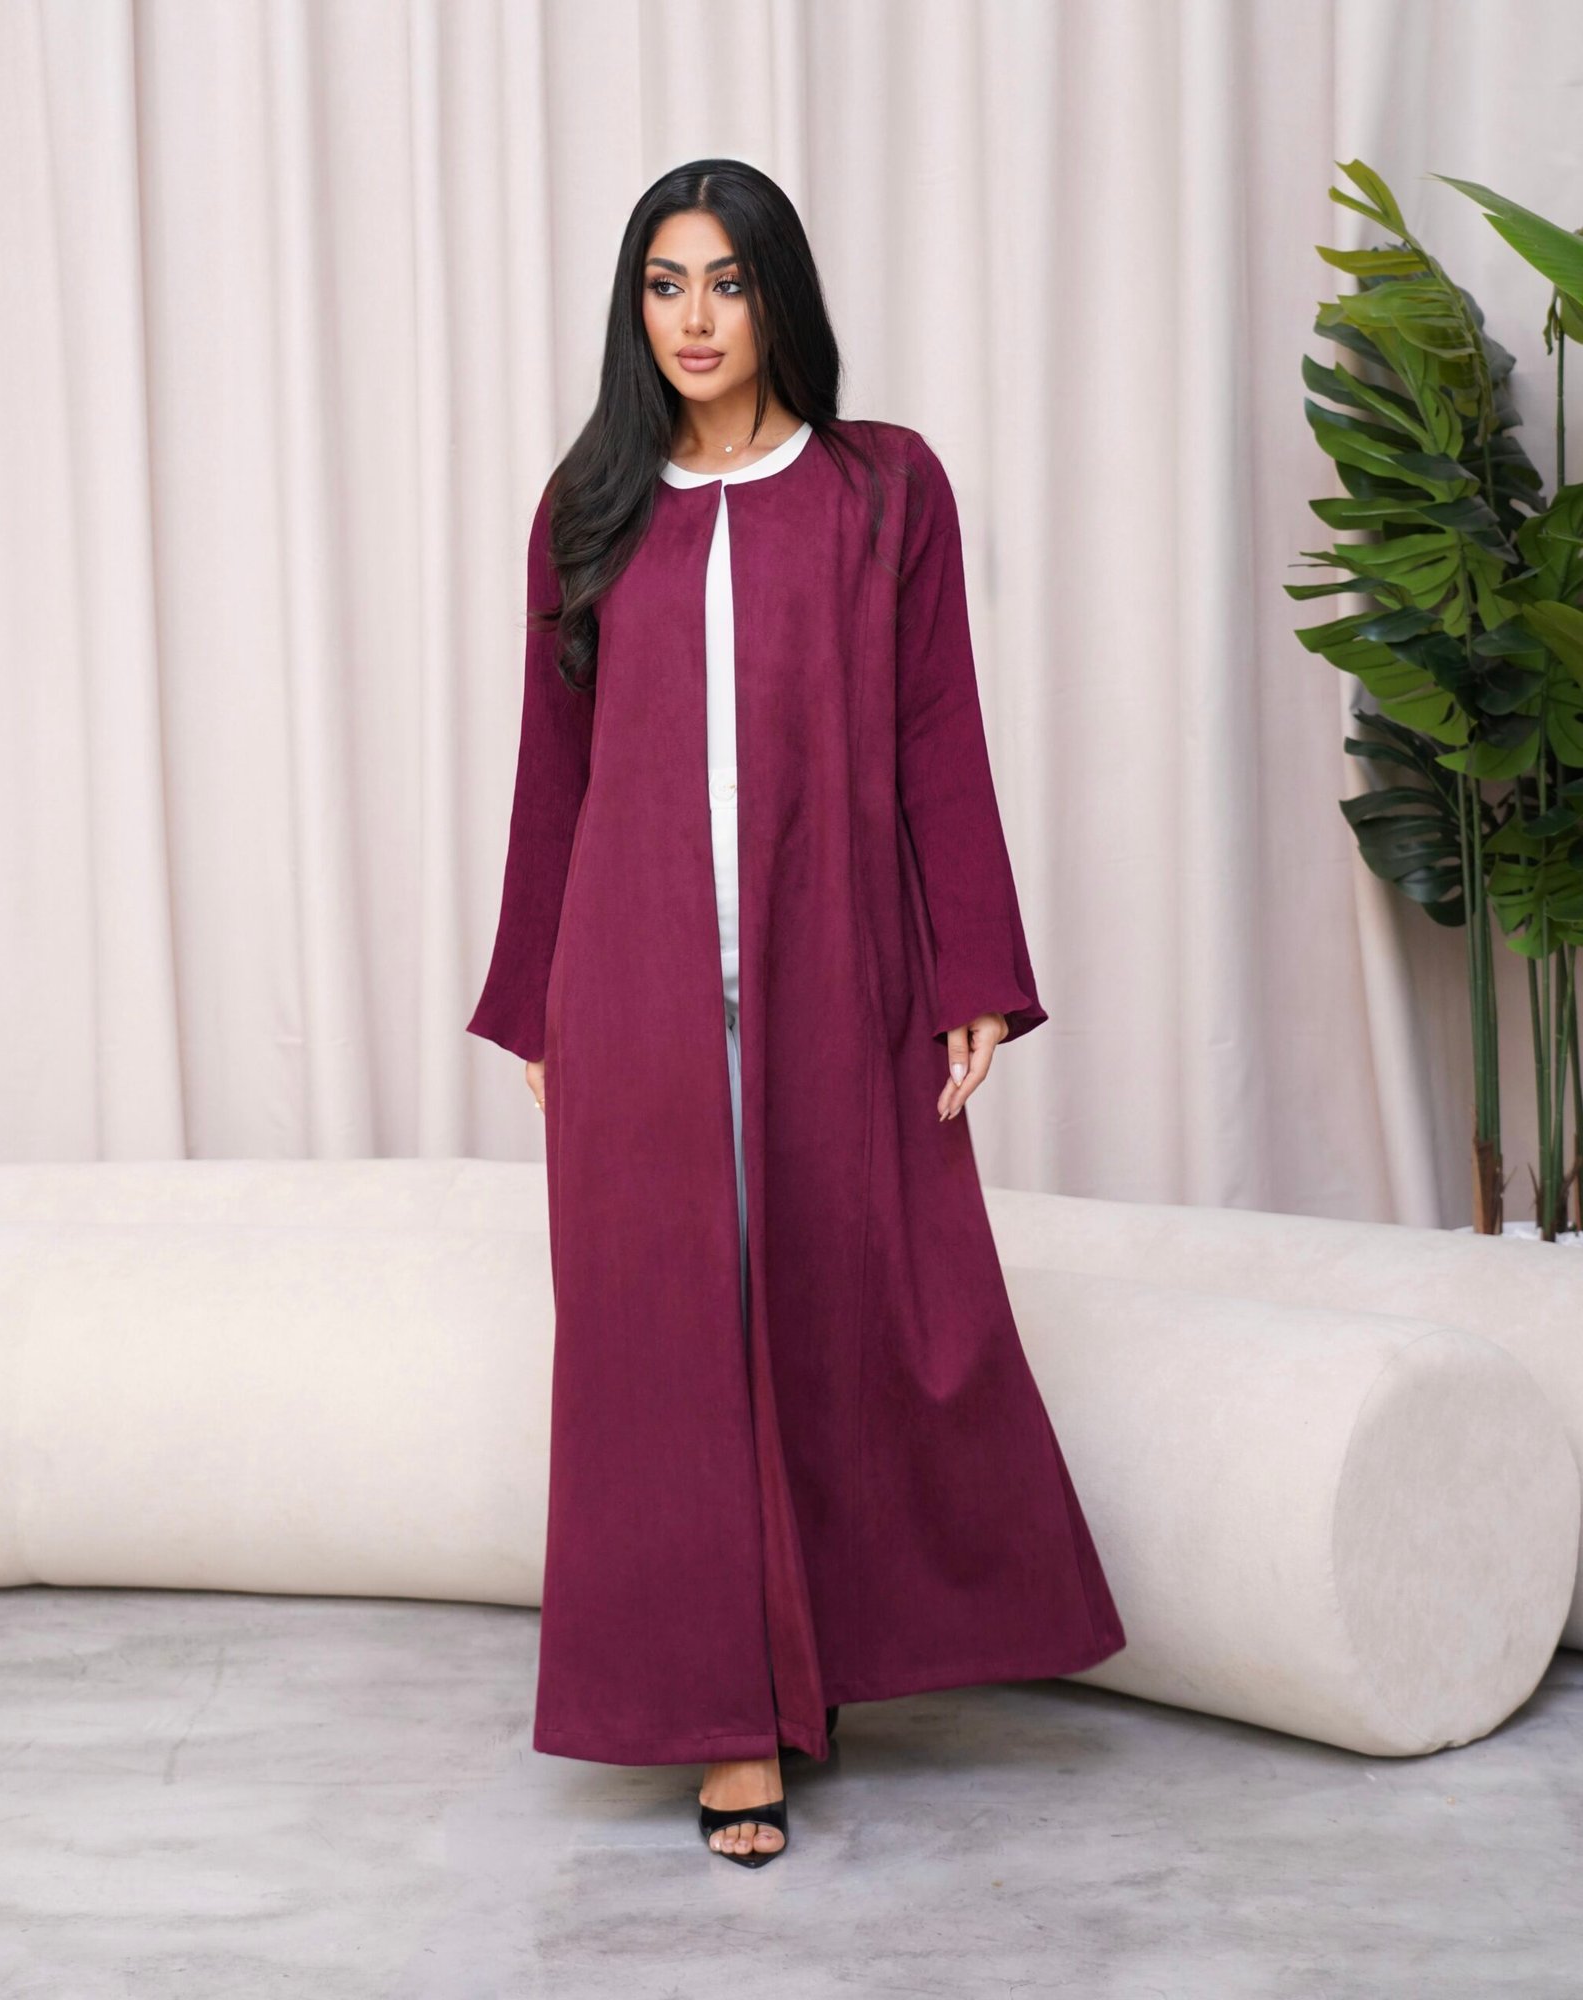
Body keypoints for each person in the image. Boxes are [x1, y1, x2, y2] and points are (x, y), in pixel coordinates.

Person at [467, 158, 1126, 1869]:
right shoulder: (587, 507)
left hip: (835, 962)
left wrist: (972, 968)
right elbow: (554, 771)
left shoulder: (883, 490)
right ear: (635, 307)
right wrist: (537, 998)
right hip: (630, 981)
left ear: (779, 296)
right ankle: (726, 1726)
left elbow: (937, 734)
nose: (695, 319)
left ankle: (816, 1659)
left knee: (850, 1303)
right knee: (664, 1339)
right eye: (665, 284)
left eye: (728, 281)